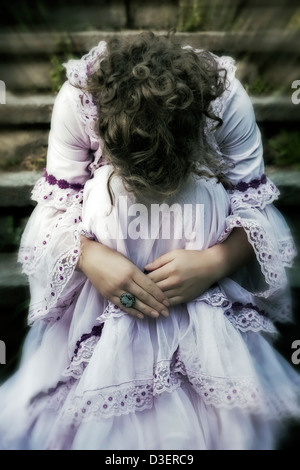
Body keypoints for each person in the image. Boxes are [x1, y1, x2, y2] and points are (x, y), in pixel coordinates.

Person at [0, 30, 299, 450]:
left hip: (203, 293)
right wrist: (88, 256)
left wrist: (215, 263)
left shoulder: (225, 100)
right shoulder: (80, 99)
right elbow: (54, 210)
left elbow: (254, 204)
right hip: (102, 295)